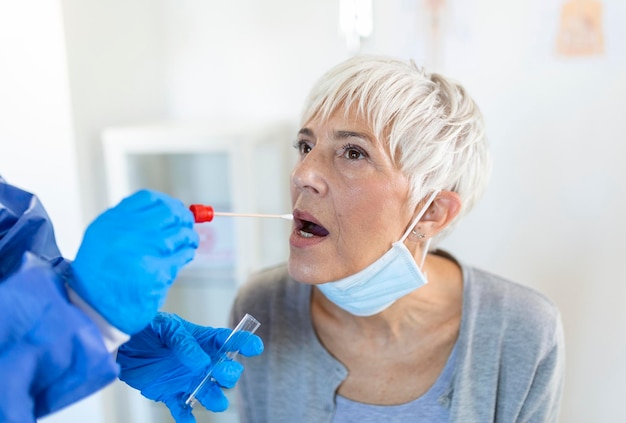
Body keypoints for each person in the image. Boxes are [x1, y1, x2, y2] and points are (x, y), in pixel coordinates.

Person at [230, 55, 565, 422]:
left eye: (353, 152)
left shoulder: (521, 330)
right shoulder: (263, 307)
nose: (302, 174)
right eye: (306, 146)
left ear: (431, 212)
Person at [0, 176, 263, 423]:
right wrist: (87, 318)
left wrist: (91, 320)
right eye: (303, 147)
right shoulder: (262, 296)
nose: (300, 175)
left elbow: (11, 254)